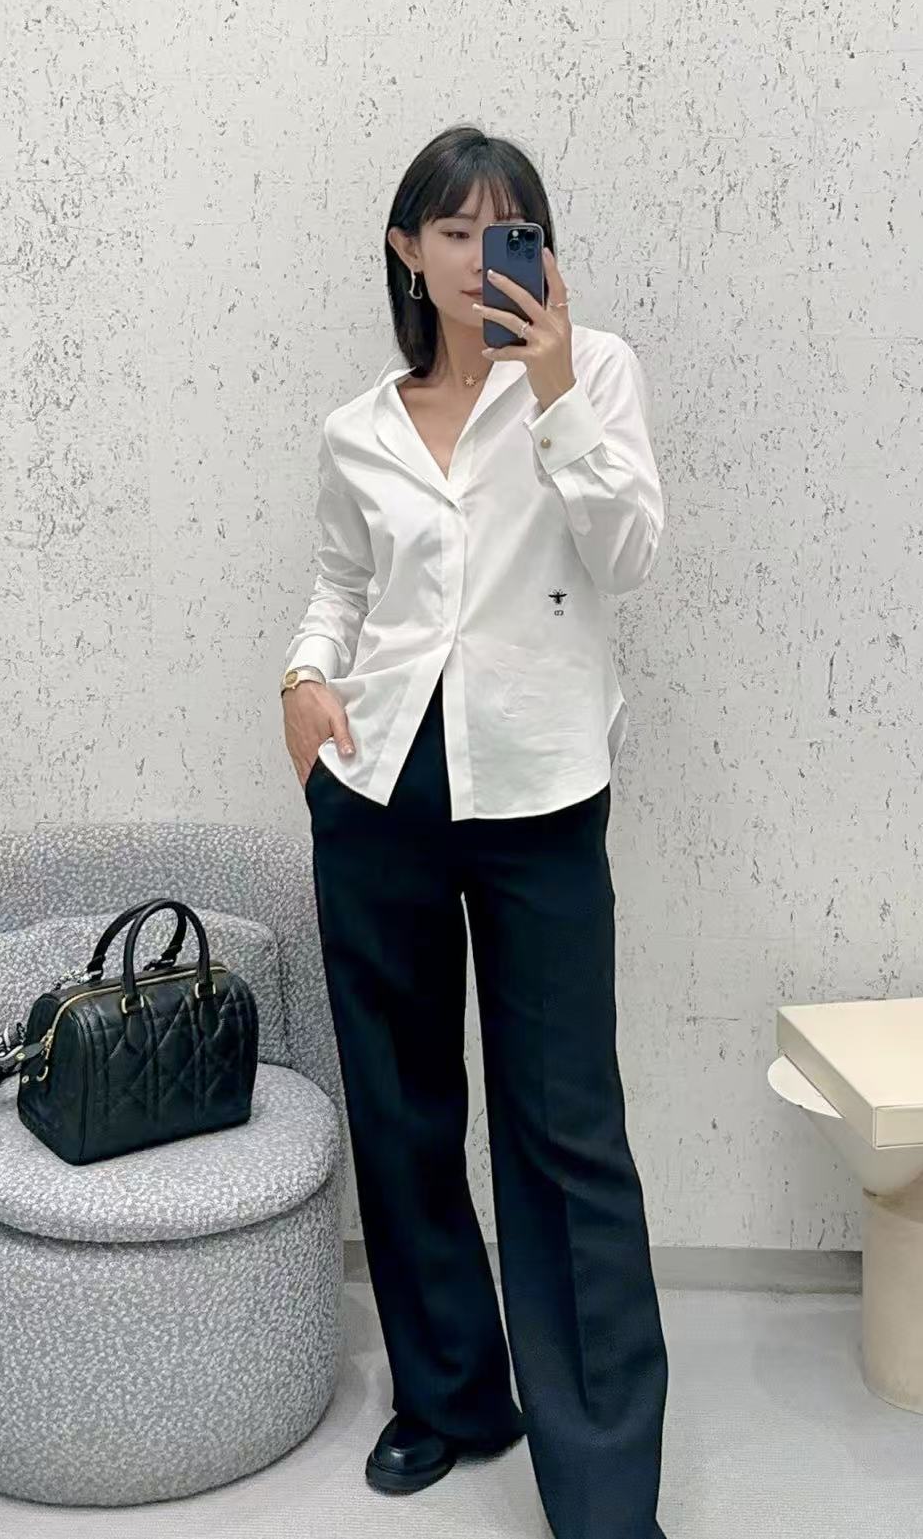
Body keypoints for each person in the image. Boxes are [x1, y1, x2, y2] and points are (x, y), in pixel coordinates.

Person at [279, 125, 670, 1539]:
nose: (477, 255)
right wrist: (304, 683)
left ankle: (606, 1488)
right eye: (452, 230)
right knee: (401, 1107)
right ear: (407, 249)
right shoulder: (360, 428)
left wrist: (553, 390)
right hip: (381, 785)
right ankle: (451, 1395)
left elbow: (629, 553)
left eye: (507, 230)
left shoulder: (594, 371)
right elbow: (341, 584)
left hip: (540, 791)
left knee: (566, 1129)